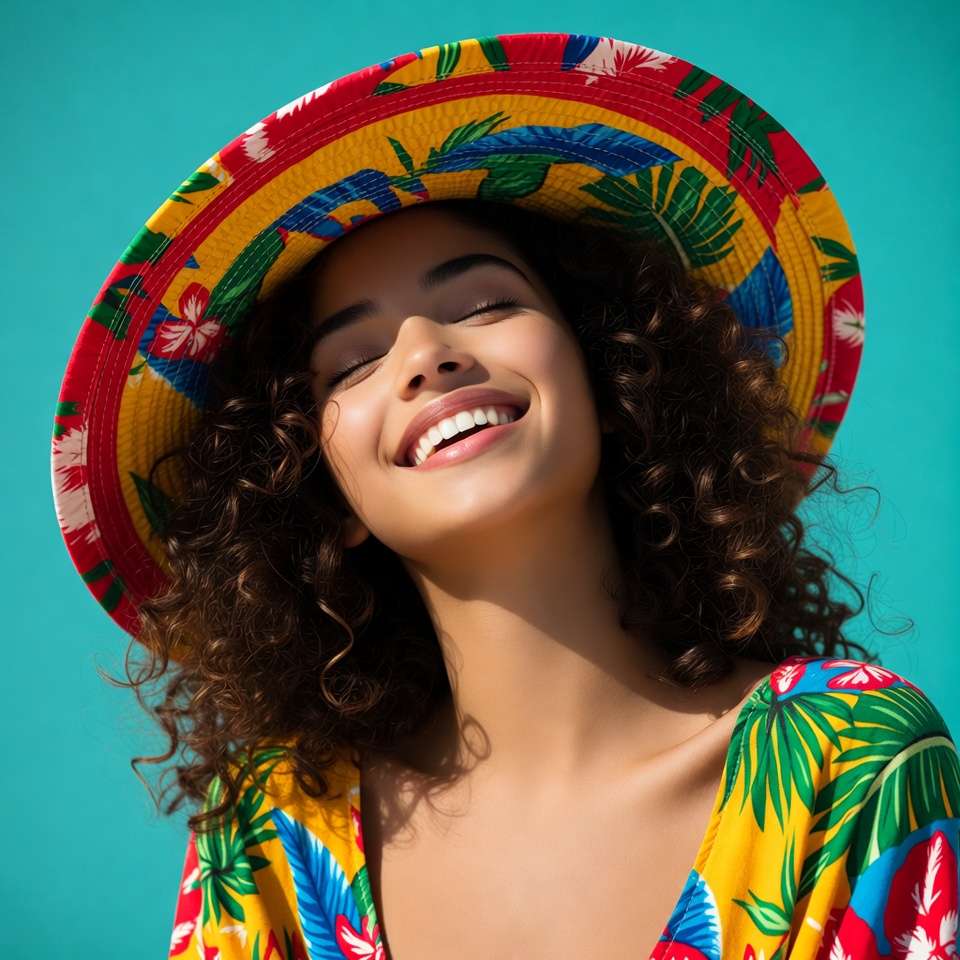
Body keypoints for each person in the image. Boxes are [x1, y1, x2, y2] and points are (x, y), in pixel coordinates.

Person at [52, 33, 959, 960]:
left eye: (483, 304)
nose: (424, 355)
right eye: (354, 362)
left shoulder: (844, 764)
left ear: (618, 374)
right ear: (321, 498)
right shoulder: (270, 839)